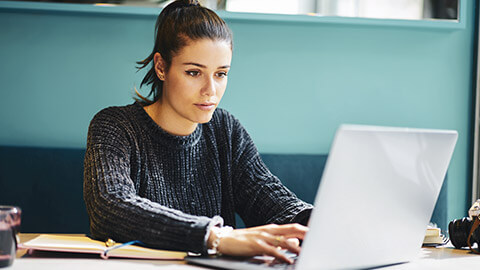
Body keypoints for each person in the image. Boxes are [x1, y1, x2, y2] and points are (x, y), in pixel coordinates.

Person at [83, 0, 313, 263]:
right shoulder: (115, 126)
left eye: (220, 74)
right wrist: (214, 237)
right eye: (194, 72)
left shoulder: (225, 130)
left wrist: (323, 223)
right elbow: (110, 206)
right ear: (161, 67)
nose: (210, 91)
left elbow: (267, 198)